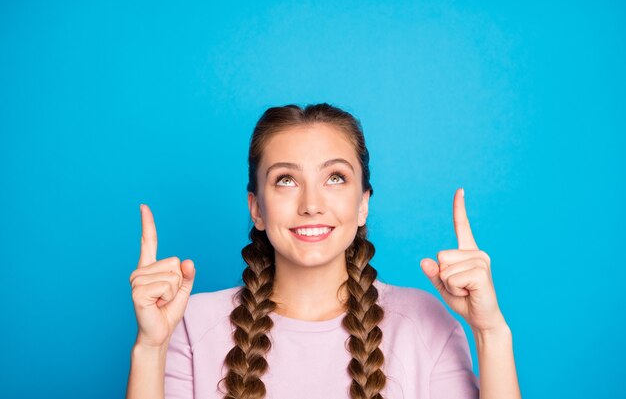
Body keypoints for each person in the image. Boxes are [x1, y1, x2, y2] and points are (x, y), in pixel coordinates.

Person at [126, 103, 522, 399]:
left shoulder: (425, 323)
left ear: (363, 202)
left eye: (335, 177)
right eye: (285, 180)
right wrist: (150, 348)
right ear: (256, 208)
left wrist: (491, 333)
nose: (311, 203)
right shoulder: (192, 325)